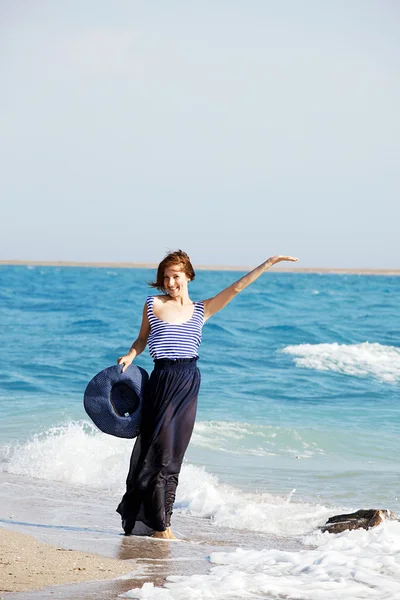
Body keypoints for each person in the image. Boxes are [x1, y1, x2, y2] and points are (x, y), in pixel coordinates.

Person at [116, 250, 298, 539]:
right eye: (166, 277)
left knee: (174, 458)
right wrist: (130, 355)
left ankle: (164, 524)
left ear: (188, 276)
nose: (170, 282)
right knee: (158, 456)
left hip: (188, 383)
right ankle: (160, 527)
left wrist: (268, 263)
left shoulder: (202, 310)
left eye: (176, 276)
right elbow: (142, 338)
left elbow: (237, 288)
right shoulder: (153, 304)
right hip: (162, 380)